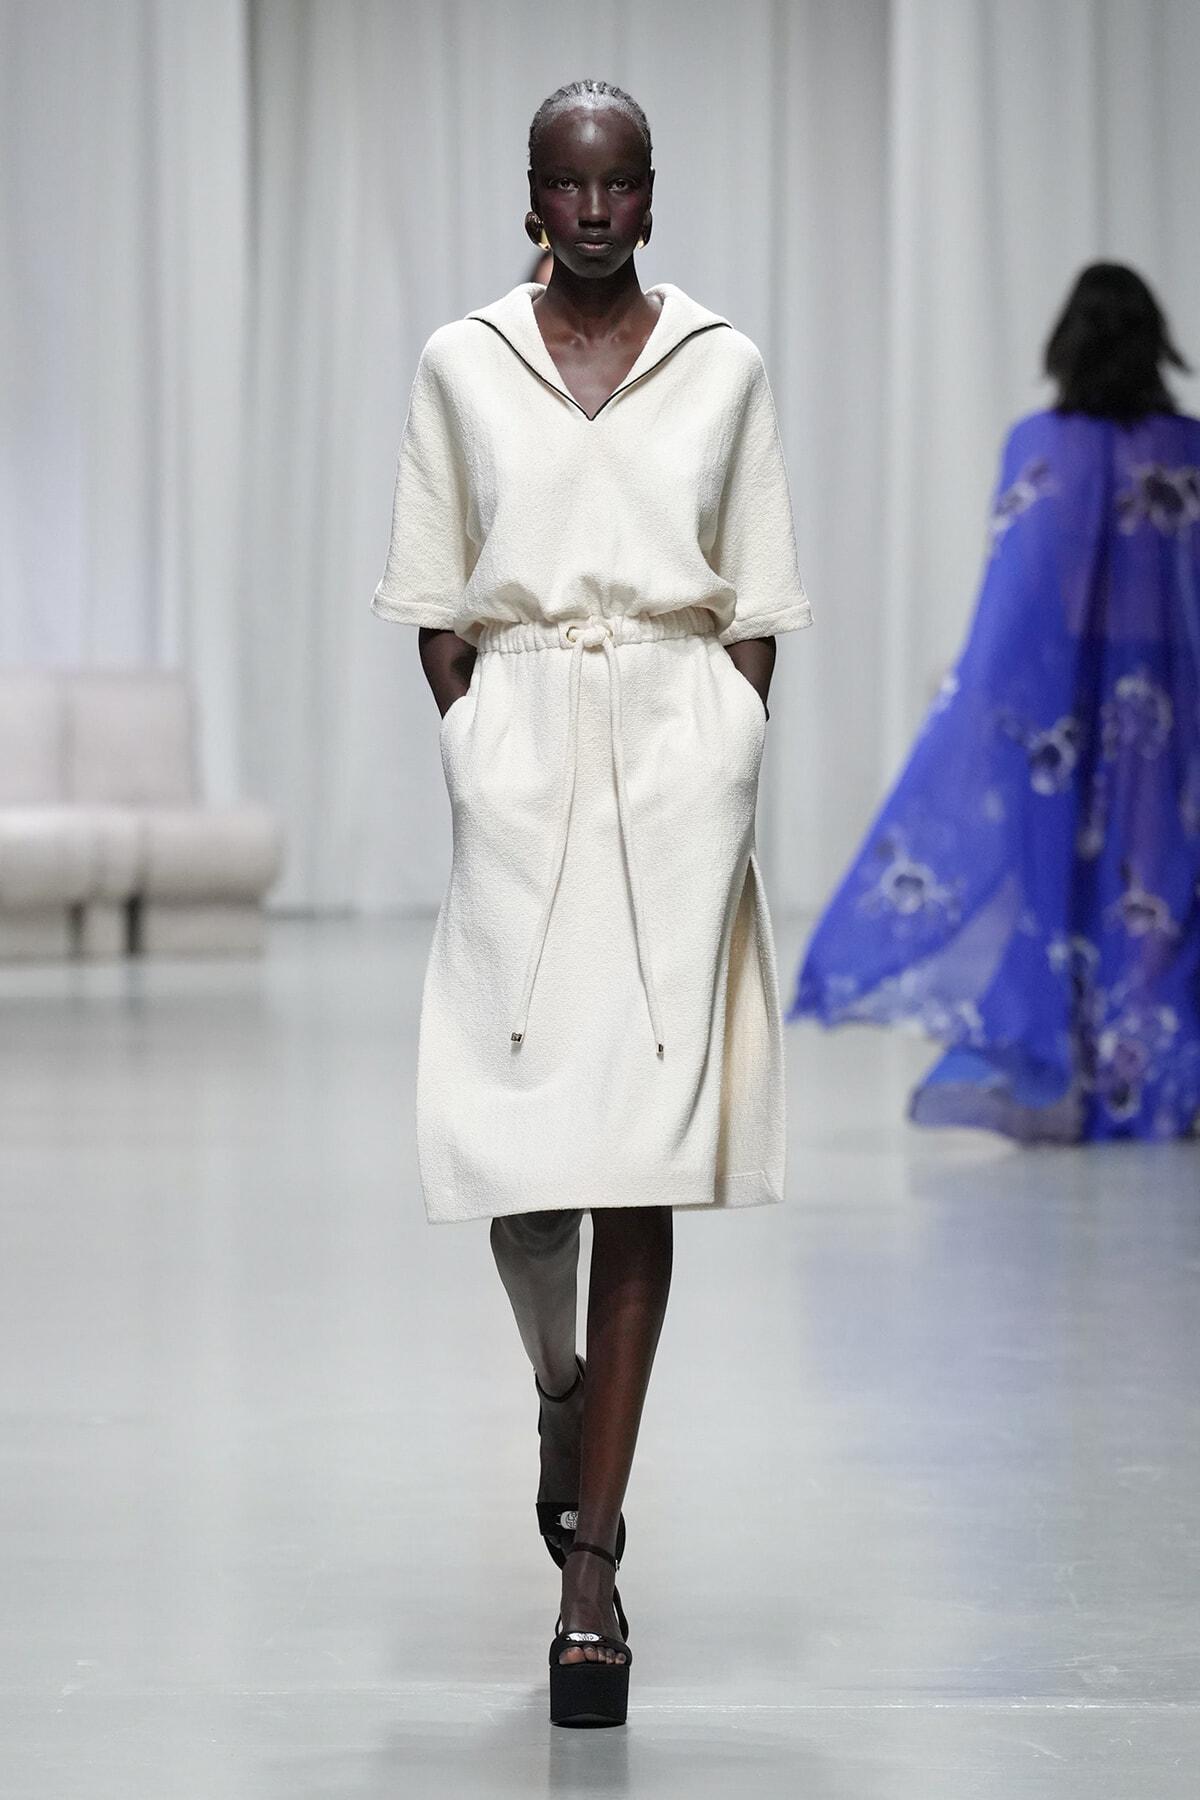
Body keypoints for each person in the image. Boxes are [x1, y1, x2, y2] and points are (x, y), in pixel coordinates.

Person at [372, 80, 810, 1724]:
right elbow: (434, 595)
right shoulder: (461, 361)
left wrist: (728, 744)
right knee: (523, 1169)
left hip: (681, 767)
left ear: (652, 193)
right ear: (534, 198)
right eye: (573, 183)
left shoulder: (724, 365)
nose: (600, 208)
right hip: (525, 763)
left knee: (639, 1167)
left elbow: (759, 593)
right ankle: (559, 1387)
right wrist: (481, 745)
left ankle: (593, 1573)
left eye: (623, 182)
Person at [794, 263, 1200, 1144]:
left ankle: (1072, 1079)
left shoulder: (1039, 444)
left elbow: (1016, 596)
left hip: (1059, 709)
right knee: (1159, 888)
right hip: (1166, 712)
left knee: (1057, 883)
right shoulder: (1186, 449)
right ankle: (1155, 1083)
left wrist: (985, 702)